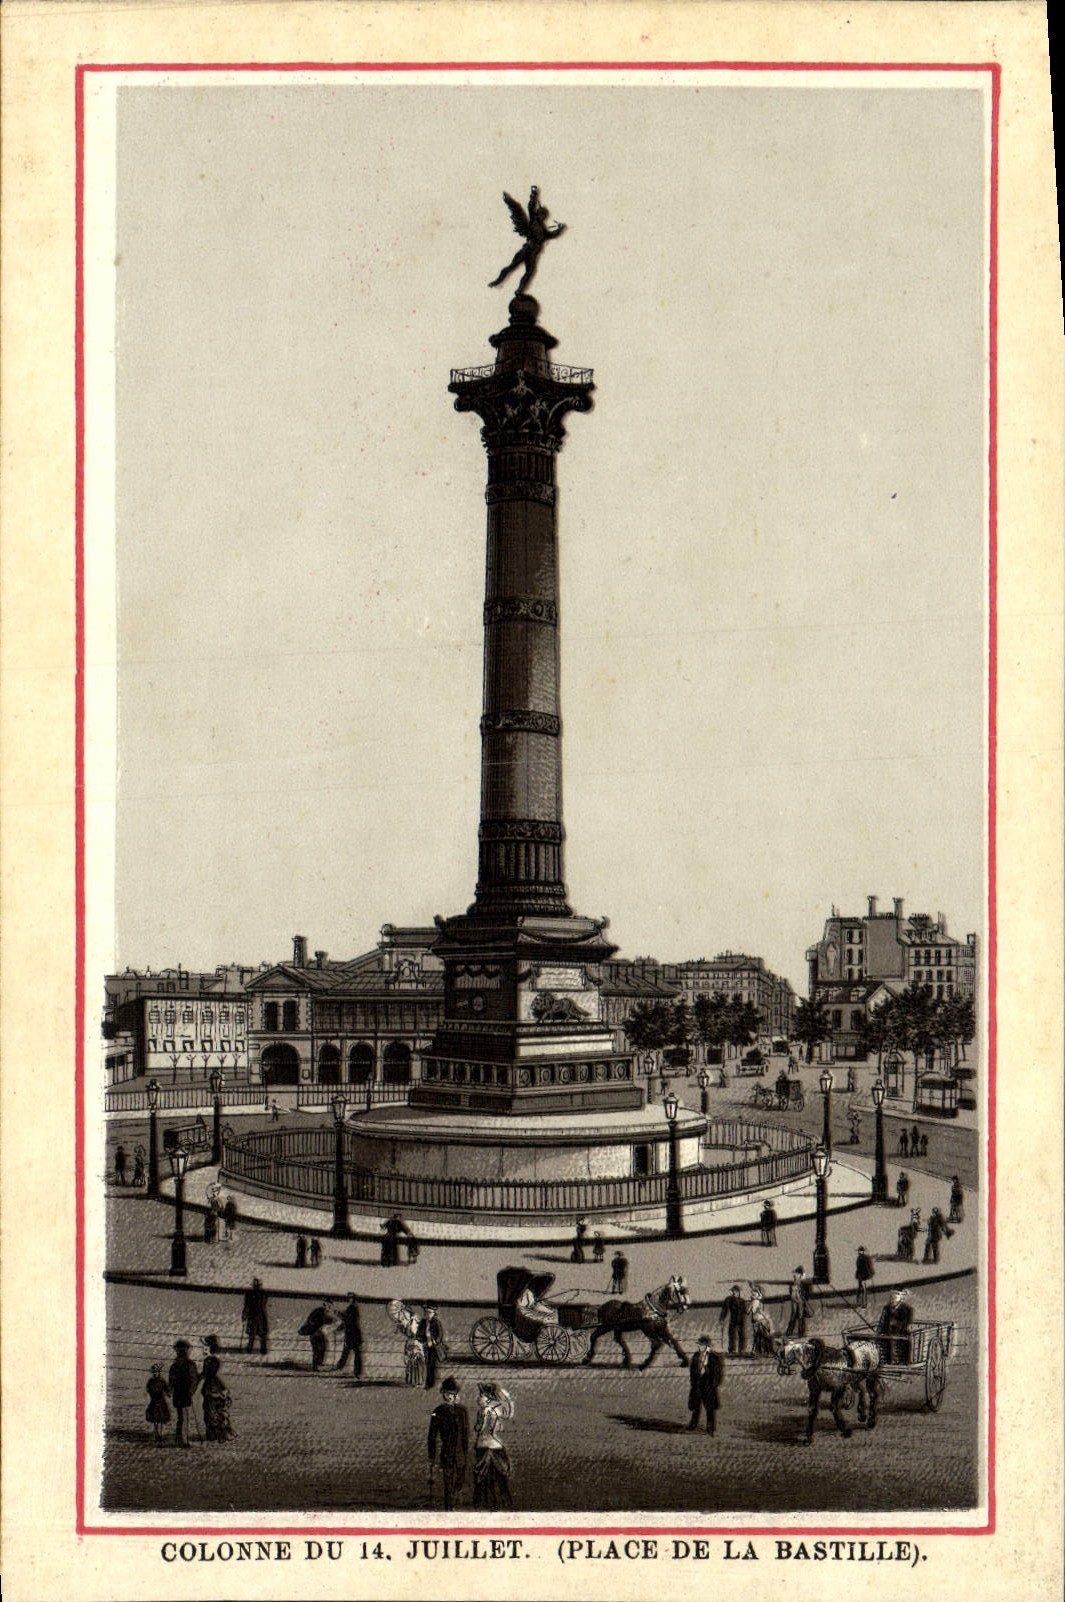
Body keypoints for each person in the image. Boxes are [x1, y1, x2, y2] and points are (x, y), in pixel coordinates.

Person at [427, 1377, 469, 1512]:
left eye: (451, 1394)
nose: (449, 1397)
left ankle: (455, 1496)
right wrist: (431, 1456)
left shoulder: (462, 1411)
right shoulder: (438, 1411)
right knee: (448, 1481)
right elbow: (432, 1436)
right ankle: (449, 1506)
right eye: (446, 1394)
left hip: (460, 1451)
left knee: (460, 1479)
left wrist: (465, 1450)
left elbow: (465, 1433)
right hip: (447, 1452)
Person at [472, 1382, 514, 1509]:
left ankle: (485, 1502)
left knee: (485, 1478)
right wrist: (507, 1398)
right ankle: (501, 1501)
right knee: (497, 1477)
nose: (478, 1398)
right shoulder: (495, 1410)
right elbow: (508, 1413)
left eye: (481, 1396)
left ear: (488, 1398)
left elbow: (479, 1428)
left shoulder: (485, 1411)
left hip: (485, 1445)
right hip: (495, 1445)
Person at [687, 1334, 723, 1434]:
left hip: (708, 1385)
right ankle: (693, 1424)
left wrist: (714, 1384)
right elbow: (692, 1371)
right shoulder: (695, 1356)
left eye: (701, 1345)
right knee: (696, 1406)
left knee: (709, 1408)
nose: (699, 1347)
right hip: (698, 1384)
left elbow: (718, 1373)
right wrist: (693, 1382)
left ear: (707, 1346)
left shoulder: (714, 1357)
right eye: (699, 1345)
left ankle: (710, 1427)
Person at [200, 1335, 234, 1442]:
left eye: (205, 1347)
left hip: (210, 1388)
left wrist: (194, 1380)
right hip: (215, 1386)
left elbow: (204, 1374)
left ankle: (213, 1434)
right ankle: (217, 1433)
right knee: (216, 1411)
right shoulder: (214, 1360)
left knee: (210, 1412)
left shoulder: (209, 1361)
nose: (203, 1349)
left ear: (209, 1348)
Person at [168, 1339, 200, 1447]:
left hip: (179, 1394)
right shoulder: (189, 1365)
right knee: (184, 1418)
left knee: (181, 1417)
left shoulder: (175, 1365)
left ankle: (179, 1438)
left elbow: (171, 1382)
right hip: (184, 1395)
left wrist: (171, 1390)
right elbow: (194, 1380)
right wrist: (191, 1392)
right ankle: (184, 1440)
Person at [876, 1289, 913, 1362]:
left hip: (901, 1333)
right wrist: (879, 1332)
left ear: (900, 1298)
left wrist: (895, 1324)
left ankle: (896, 1361)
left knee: (893, 1342)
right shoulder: (886, 1308)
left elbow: (906, 1323)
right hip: (887, 1333)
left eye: (894, 1297)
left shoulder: (907, 1309)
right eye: (891, 1297)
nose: (892, 1299)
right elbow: (882, 1322)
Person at [416, 1304, 447, 1391]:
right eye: (426, 1312)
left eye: (430, 1312)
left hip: (434, 1347)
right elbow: (418, 1334)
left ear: (434, 1313)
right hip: (426, 1346)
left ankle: (430, 1383)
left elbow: (440, 1334)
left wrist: (435, 1341)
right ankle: (427, 1382)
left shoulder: (436, 1322)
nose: (428, 1314)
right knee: (426, 1364)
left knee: (431, 1366)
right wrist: (423, 1341)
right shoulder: (423, 1322)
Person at [299, 1301, 334, 1371]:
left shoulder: (321, 1312)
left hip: (316, 1333)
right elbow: (312, 1320)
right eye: (329, 1305)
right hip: (315, 1333)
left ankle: (317, 1364)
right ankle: (316, 1365)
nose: (330, 1307)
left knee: (320, 1349)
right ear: (325, 1305)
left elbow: (323, 1320)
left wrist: (330, 1320)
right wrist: (315, 1326)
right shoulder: (320, 1311)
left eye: (330, 1306)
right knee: (318, 1350)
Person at [336, 1293, 363, 1376]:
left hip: (351, 1334)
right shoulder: (353, 1308)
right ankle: (356, 1371)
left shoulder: (352, 1308)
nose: (350, 1300)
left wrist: (339, 1315)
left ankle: (341, 1367)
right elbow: (348, 1321)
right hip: (353, 1334)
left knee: (349, 1352)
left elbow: (347, 1320)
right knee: (353, 1352)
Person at [241, 1277, 269, 1355]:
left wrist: (244, 1315)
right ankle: (262, 1350)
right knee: (260, 1334)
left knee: (253, 1334)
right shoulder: (263, 1294)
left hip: (253, 1315)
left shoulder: (249, 1294)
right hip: (259, 1315)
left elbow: (247, 1306)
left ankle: (250, 1349)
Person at [145, 1364, 171, 1444]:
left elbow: (167, 1392)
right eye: (154, 1372)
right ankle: (157, 1434)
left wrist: (168, 1393)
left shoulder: (162, 1381)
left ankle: (159, 1434)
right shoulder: (151, 1382)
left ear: (159, 1372)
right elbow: (148, 1391)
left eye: (156, 1372)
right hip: (154, 1402)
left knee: (160, 1419)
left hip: (161, 1402)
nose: (155, 1373)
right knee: (155, 1420)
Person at [718, 1285, 748, 1356]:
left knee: (742, 1335)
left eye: (736, 1291)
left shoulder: (743, 1301)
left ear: (739, 1292)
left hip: (741, 1320)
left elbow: (745, 1311)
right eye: (733, 1291)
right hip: (733, 1319)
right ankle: (732, 1350)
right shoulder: (729, 1299)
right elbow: (724, 1310)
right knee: (732, 1335)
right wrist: (722, 1319)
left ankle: (742, 1350)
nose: (734, 1292)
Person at [748, 1285, 774, 1356]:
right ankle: (762, 1351)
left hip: (759, 1321)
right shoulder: (756, 1302)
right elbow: (749, 1311)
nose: (752, 1293)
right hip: (758, 1321)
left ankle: (759, 1351)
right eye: (752, 1292)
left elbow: (748, 1311)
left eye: (754, 1292)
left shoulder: (756, 1302)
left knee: (760, 1336)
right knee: (761, 1336)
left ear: (758, 1294)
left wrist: (766, 1318)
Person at [785, 1267, 810, 1338]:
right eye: (794, 1274)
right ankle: (789, 1332)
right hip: (794, 1302)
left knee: (800, 1316)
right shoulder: (793, 1284)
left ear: (800, 1275)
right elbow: (791, 1294)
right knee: (793, 1316)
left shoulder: (802, 1285)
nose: (794, 1275)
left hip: (800, 1301)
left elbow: (806, 1294)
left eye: (796, 1274)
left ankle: (800, 1333)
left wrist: (802, 1299)